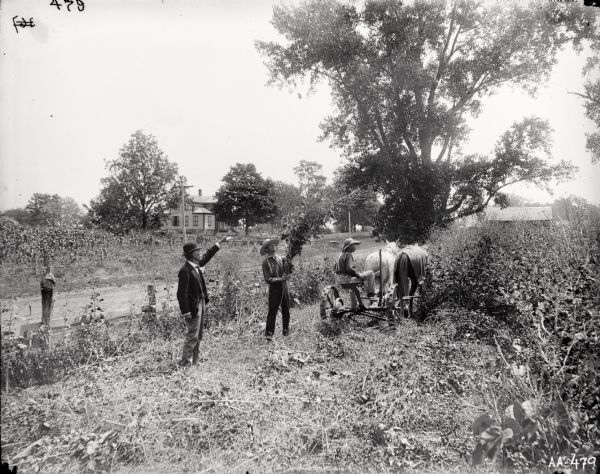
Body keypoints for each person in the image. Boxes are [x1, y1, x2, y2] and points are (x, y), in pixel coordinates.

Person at [177, 235, 232, 367]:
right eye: (198, 251)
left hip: (201, 303)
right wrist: (186, 312)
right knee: (192, 335)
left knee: (199, 334)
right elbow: (181, 294)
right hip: (193, 307)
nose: (200, 252)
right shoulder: (185, 271)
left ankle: (194, 360)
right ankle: (185, 363)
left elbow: (208, 255)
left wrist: (219, 243)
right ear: (192, 254)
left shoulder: (196, 264)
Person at [260, 238, 291, 341]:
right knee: (272, 311)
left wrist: (289, 267)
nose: (273, 246)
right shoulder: (266, 262)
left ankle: (286, 331)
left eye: (273, 244)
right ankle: (269, 334)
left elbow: (289, 269)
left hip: (284, 287)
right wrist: (280, 279)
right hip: (275, 289)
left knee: (286, 310)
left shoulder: (281, 259)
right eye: (270, 245)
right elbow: (268, 279)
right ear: (267, 249)